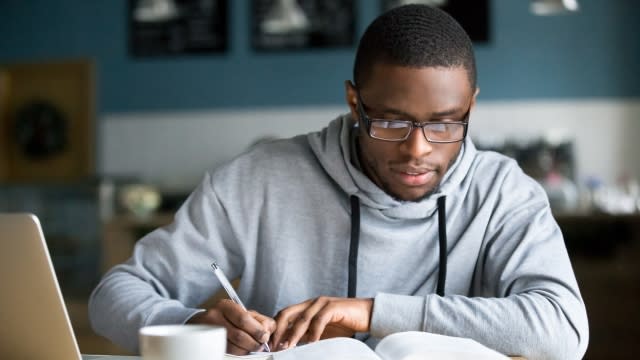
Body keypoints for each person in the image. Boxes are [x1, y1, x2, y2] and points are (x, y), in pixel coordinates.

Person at [89, 4, 588, 359]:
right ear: (355, 102)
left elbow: (563, 330)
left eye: (444, 124)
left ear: (471, 106)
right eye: (391, 122)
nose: (418, 149)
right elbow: (116, 294)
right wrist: (192, 324)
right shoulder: (258, 180)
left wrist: (370, 312)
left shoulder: (503, 193)